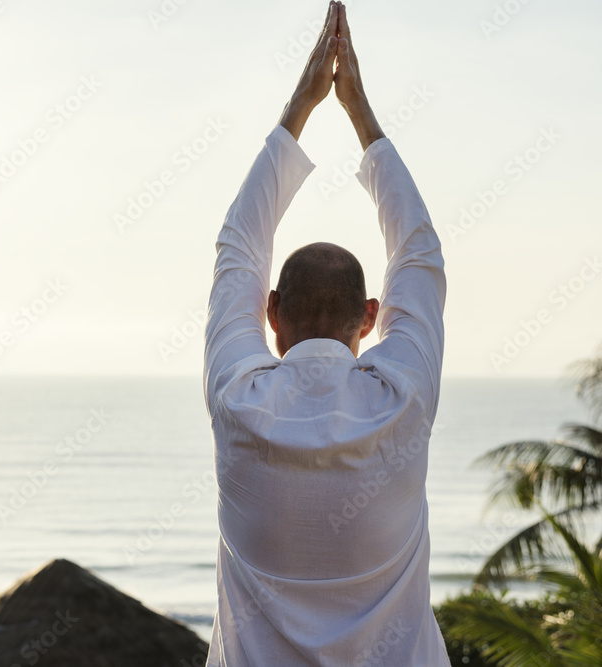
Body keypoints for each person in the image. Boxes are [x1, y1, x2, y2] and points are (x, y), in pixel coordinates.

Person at [202, 2, 451, 665]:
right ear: (370, 317)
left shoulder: (238, 402)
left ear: (271, 310)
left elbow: (236, 253)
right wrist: (361, 117)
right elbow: (420, 256)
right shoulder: (401, 399)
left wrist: (299, 109)